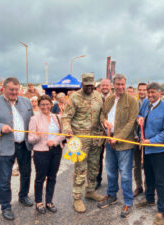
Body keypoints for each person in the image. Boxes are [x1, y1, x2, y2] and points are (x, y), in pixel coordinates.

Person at [0, 77, 34, 221]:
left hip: (24, 146)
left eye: (16, 89)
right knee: (4, 179)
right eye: (11, 89)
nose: (14, 92)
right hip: (5, 147)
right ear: (4, 89)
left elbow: (31, 121)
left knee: (26, 173)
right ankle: (5, 206)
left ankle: (23, 196)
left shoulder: (26, 101)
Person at [62, 73, 105, 213]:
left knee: (94, 166)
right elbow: (66, 117)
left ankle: (90, 191)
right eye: (86, 85)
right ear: (82, 84)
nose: (89, 88)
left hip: (96, 139)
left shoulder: (98, 96)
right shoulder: (74, 98)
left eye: (91, 85)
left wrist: (105, 125)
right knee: (80, 169)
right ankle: (77, 197)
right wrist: (67, 129)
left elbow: (102, 115)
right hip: (79, 141)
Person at [98, 74, 138, 218]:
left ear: (125, 84)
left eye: (123, 84)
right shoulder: (109, 99)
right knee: (110, 171)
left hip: (124, 144)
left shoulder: (132, 100)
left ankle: (128, 201)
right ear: (113, 85)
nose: (120, 87)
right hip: (110, 142)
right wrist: (104, 123)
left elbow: (132, 122)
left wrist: (118, 137)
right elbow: (102, 115)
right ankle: (111, 195)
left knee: (126, 175)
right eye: (118, 84)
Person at [136, 82, 164, 225]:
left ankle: (161, 210)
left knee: (160, 179)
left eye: (153, 92)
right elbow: (140, 115)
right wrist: (139, 118)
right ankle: (149, 198)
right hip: (146, 149)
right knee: (148, 175)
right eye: (149, 92)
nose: (150, 95)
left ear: (160, 93)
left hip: (159, 150)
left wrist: (151, 141)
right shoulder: (145, 103)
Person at [28, 95, 65, 214]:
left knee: (52, 177)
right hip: (41, 152)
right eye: (42, 104)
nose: (45, 107)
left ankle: (49, 201)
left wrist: (54, 141)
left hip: (56, 150)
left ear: (51, 105)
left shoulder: (57, 117)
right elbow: (30, 139)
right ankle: (39, 202)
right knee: (40, 178)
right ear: (39, 106)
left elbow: (64, 134)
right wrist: (37, 137)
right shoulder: (34, 119)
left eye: (47, 104)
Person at [96, 78, 112, 190]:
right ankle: (97, 179)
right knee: (98, 158)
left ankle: (112, 181)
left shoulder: (115, 97)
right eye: (103, 85)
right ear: (100, 87)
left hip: (112, 132)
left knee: (112, 159)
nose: (105, 87)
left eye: (107, 85)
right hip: (99, 133)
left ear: (110, 86)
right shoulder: (95, 98)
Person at [133, 82, 147, 197]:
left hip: (147, 139)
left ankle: (148, 186)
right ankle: (138, 186)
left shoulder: (149, 104)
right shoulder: (134, 103)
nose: (142, 92)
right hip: (135, 138)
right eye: (140, 89)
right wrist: (134, 135)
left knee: (147, 164)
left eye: (144, 90)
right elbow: (131, 121)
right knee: (137, 164)